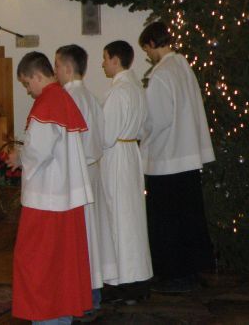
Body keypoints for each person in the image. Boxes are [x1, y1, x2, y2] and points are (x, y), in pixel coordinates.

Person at [8, 51, 94, 323]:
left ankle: (45, 320)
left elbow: (39, 151)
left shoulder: (47, 103)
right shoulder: (63, 98)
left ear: (37, 76)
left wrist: (20, 157)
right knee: (62, 268)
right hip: (65, 200)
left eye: (26, 83)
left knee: (37, 266)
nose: (28, 90)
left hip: (46, 201)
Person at [139, 21, 215, 292]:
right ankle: (191, 271)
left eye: (146, 50)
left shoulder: (162, 74)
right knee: (189, 217)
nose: (148, 55)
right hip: (187, 158)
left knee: (167, 222)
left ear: (151, 44)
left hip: (167, 160)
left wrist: (140, 134)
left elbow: (156, 119)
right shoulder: (183, 68)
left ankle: (174, 274)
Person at [55, 44, 116, 314]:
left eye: (57, 66)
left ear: (68, 68)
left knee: (80, 239)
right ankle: (93, 297)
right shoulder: (90, 97)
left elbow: (65, 143)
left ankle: (85, 300)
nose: (55, 71)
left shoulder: (67, 99)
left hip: (77, 176)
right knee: (92, 237)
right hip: (92, 171)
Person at [100, 40, 153, 302]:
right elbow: (146, 127)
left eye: (105, 58)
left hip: (117, 157)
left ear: (115, 60)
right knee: (132, 219)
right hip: (131, 153)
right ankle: (137, 278)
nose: (102, 64)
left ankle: (122, 281)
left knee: (118, 217)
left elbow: (106, 135)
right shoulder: (137, 88)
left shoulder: (119, 92)